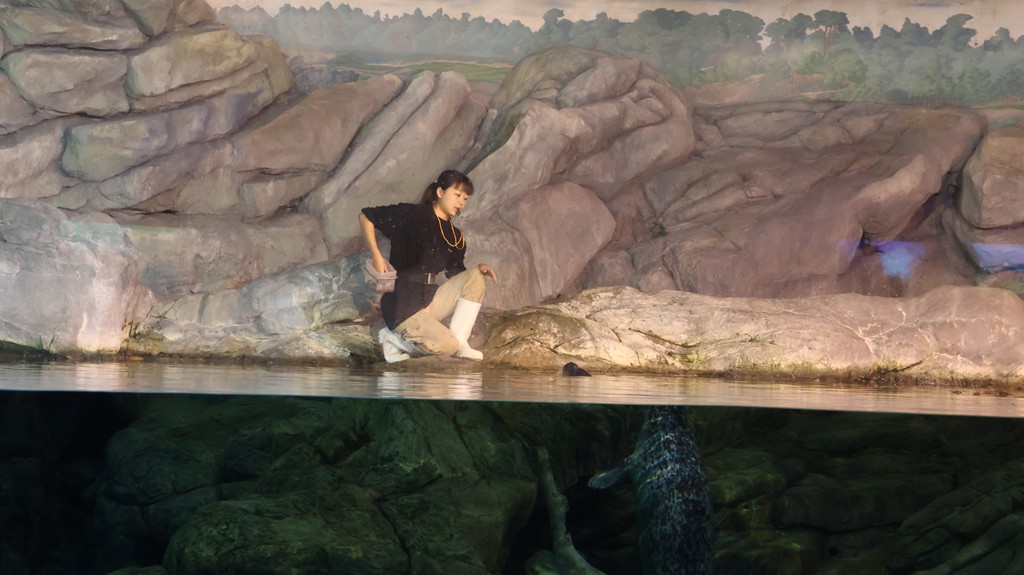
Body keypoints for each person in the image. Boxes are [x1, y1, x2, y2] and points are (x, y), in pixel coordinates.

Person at [358, 169, 498, 363]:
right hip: (402, 304)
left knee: (476, 276)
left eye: (465, 199)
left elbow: (455, 272)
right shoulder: (412, 214)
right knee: (447, 347)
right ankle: (393, 339)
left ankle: (461, 341)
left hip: (429, 301)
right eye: (457, 195)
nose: (461, 202)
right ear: (440, 192)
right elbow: (366, 216)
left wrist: (479, 268)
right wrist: (376, 255)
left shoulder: (455, 236)